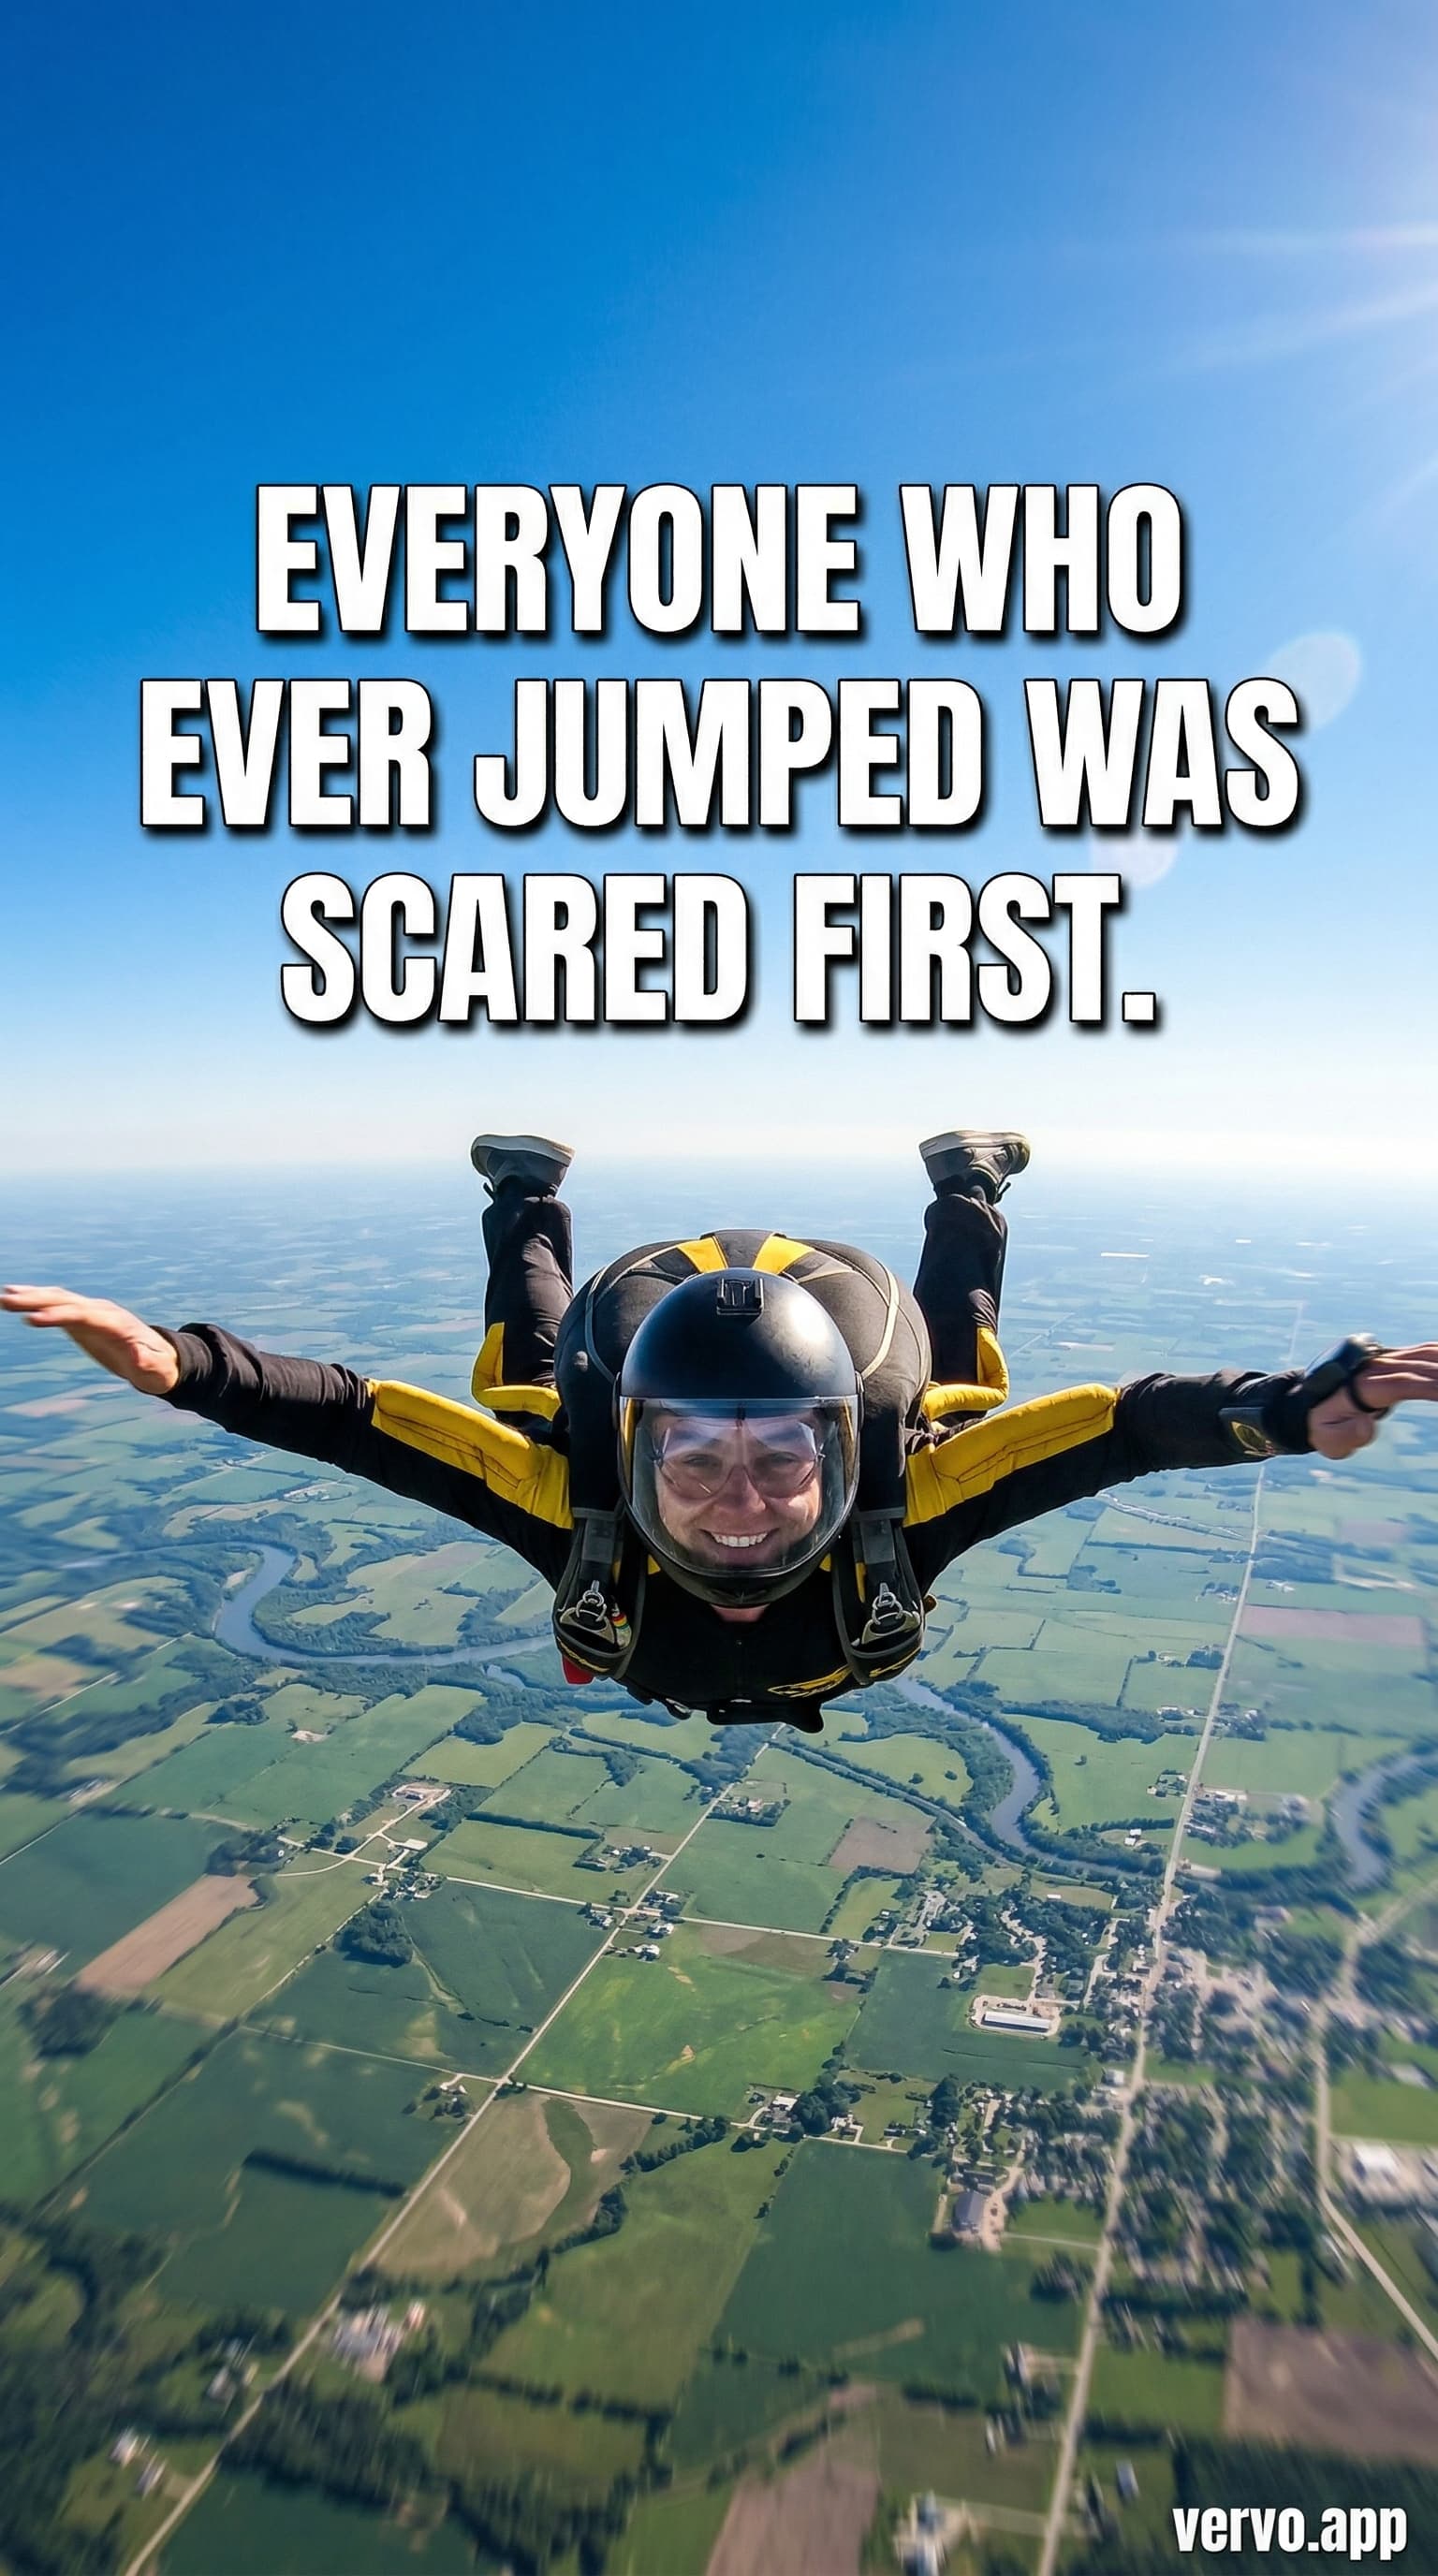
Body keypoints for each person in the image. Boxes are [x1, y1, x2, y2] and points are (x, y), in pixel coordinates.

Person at [6, 1133, 1437, 1733]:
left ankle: (968, 1193)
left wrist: (1293, 1413)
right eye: (694, 1462)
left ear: (838, 1455)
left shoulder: (901, 1484)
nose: (742, 1503)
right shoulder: (581, 1490)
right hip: (654, 1328)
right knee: (523, 1394)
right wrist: (175, 1366)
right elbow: (366, 1427)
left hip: (838, 1328)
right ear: (641, 1459)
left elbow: (1117, 1430)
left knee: (960, 1403)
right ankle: (528, 1202)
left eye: (778, 1460)